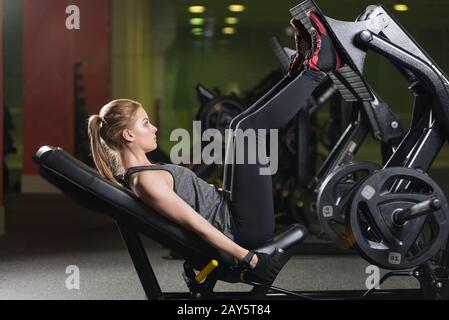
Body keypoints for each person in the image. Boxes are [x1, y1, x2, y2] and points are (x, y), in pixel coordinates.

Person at [87, 12, 343, 284]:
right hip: (242, 227)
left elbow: (191, 193)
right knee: (248, 131)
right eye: (145, 123)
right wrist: (248, 258)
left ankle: (299, 69)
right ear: (128, 134)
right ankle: (318, 67)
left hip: (233, 210)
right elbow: (194, 224)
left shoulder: (145, 173)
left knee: (237, 126)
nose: (154, 129)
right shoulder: (145, 181)